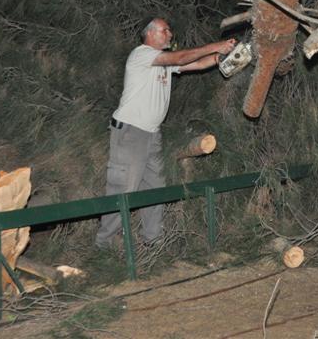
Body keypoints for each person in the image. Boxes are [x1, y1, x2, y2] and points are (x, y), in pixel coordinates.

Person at [95, 18, 235, 248]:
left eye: (170, 30)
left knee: (154, 187)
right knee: (124, 188)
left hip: (152, 134)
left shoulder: (164, 62)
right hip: (131, 132)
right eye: (165, 30)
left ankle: (153, 239)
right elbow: (180, 57)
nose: (170, 34)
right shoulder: (142, 54)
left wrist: (223, 56)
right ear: (150, 34)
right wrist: (215, 45)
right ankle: (106, 241)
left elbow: (197, 65)